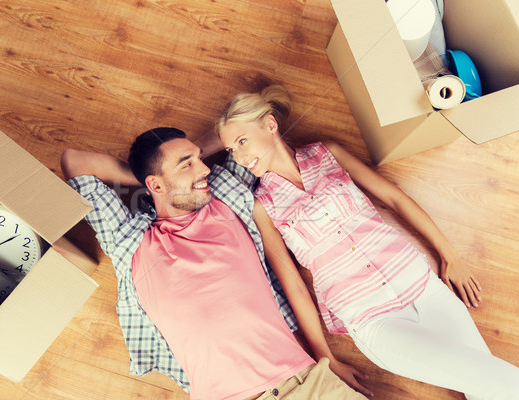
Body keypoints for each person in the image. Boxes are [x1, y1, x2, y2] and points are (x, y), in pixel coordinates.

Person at [215, 84, 519, 399]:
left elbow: (394, 198)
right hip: (374, 318)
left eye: (241, 141)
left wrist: (449, 255)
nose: (239, 156)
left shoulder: (326, 153)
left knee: (488, 383)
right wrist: (326, 358)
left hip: (423, 285)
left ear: (270, 124)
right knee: (495, 377)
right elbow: (292, 283)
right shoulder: (263, 205)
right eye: (231, 151)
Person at [61, 127, 368, 400]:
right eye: (188, 163)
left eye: (199, 158)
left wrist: (327, 358)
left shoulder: (228, 196)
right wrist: (153, 179)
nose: (204, 168)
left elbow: (236, 128)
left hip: (306, 385)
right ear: (154, 185)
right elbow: (74, 162)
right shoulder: (130, 240)